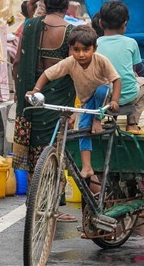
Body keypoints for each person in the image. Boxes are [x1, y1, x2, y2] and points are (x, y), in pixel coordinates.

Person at [25, 25, 121, 178]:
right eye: (76, 50)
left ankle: (97, 121)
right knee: (83, 127)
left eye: (86, 50)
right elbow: (47, 74)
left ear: (94, 49)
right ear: (70, 49)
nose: (81, 54)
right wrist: (36, 90)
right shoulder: (70, 62)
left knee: (101, 90)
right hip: (86, 102)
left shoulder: (101, 60)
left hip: (104, 98)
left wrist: (115, 100)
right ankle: (87, 166)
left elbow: (116, 80)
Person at [13, 0, 76, 173]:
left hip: (31, 98)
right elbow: (73, 69)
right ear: (66, 6)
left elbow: (17, 63)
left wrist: (20, 92)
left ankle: (36, 191)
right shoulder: (70, 31)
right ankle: (56, 192)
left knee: (35, 152)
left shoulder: (30, 26)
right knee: (56, 146)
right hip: (58, 100)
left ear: (44, 5)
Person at [96, 0, 144, 134]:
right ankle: (132, 123)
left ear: (100, 23)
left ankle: (108, 121)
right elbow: (132, 72)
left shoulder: (94, 43)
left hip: (102, 97)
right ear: (125, 24)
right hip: (127, 96)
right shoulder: (131, 43)